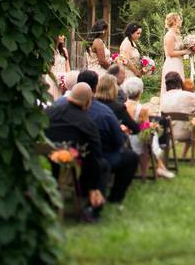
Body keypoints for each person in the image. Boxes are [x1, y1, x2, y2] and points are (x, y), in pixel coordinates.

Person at [44, 83, 107, 219]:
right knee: (100, 164)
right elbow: (96, 153)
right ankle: (92, 206)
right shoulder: (87, 123)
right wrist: (94, 187)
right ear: (88, 102)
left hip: (44, 163)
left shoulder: (49, 112)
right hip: (69, 168)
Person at [85, 73, 139, 205]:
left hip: (86, 150)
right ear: (114, 89)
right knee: (131, 157)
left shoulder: (89, 105)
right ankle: (116, 196)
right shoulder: (117, 108)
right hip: (106, 152)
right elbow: (135, 129)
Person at [122, 76, 175, 179]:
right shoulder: (143, 109)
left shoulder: (121, 105)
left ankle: (160, 166)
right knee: (151, 135)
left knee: (150, 134)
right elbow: (145, 129)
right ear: (140, 92)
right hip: (136, 141)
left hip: (123, 138)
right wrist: (153, 126)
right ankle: (145, 173)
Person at [160, 71, 195, 156]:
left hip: (167, 133)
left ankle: (183, 155)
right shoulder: (188, 96)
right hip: (185, 133)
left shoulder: (164, 97)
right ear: (180, 82)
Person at [161, 12, 189, 98]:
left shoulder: (177, 34)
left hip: (178, 63)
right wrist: (186, 51)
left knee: (179, 86)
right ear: (174, 21)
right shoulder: (169, 35)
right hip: (172, 64)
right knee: (173, 87)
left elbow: (179, 50)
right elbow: (170, 53)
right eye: (179, 19)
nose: (181, 21)